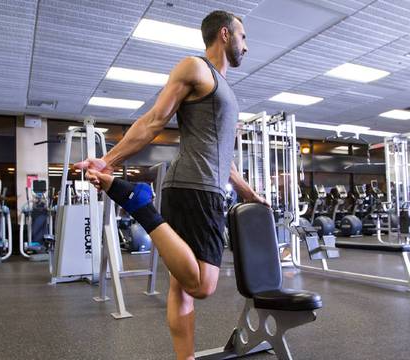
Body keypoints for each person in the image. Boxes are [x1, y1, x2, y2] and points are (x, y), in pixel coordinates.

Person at [76, 10, 267, 360]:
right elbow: (154, 121)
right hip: (194, 188)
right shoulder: (196, 68)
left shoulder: (226, 90)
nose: (246, 46)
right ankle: (136, 202)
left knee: (182, 287)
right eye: (243, 37)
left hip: (205, 186)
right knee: (203, 284)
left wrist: (250, 193)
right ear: (225, 34)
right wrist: (108, 162)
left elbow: (225, 158)